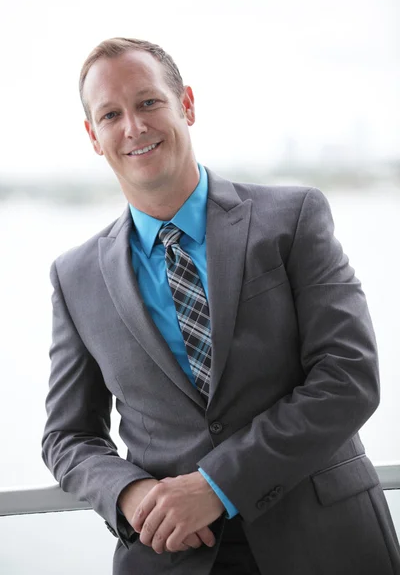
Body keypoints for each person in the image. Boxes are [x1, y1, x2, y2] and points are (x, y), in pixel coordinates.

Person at [42, 37, 400, 575]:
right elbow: (67, 436)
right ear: (94, 136)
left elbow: (349, 376)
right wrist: (130, 494)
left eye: (148, 103)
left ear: (186, 104)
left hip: (327, 541)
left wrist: (218, 484)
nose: (133, 127)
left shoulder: (293, 218)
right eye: (111, 114)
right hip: (170, 554)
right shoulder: (75, 278)